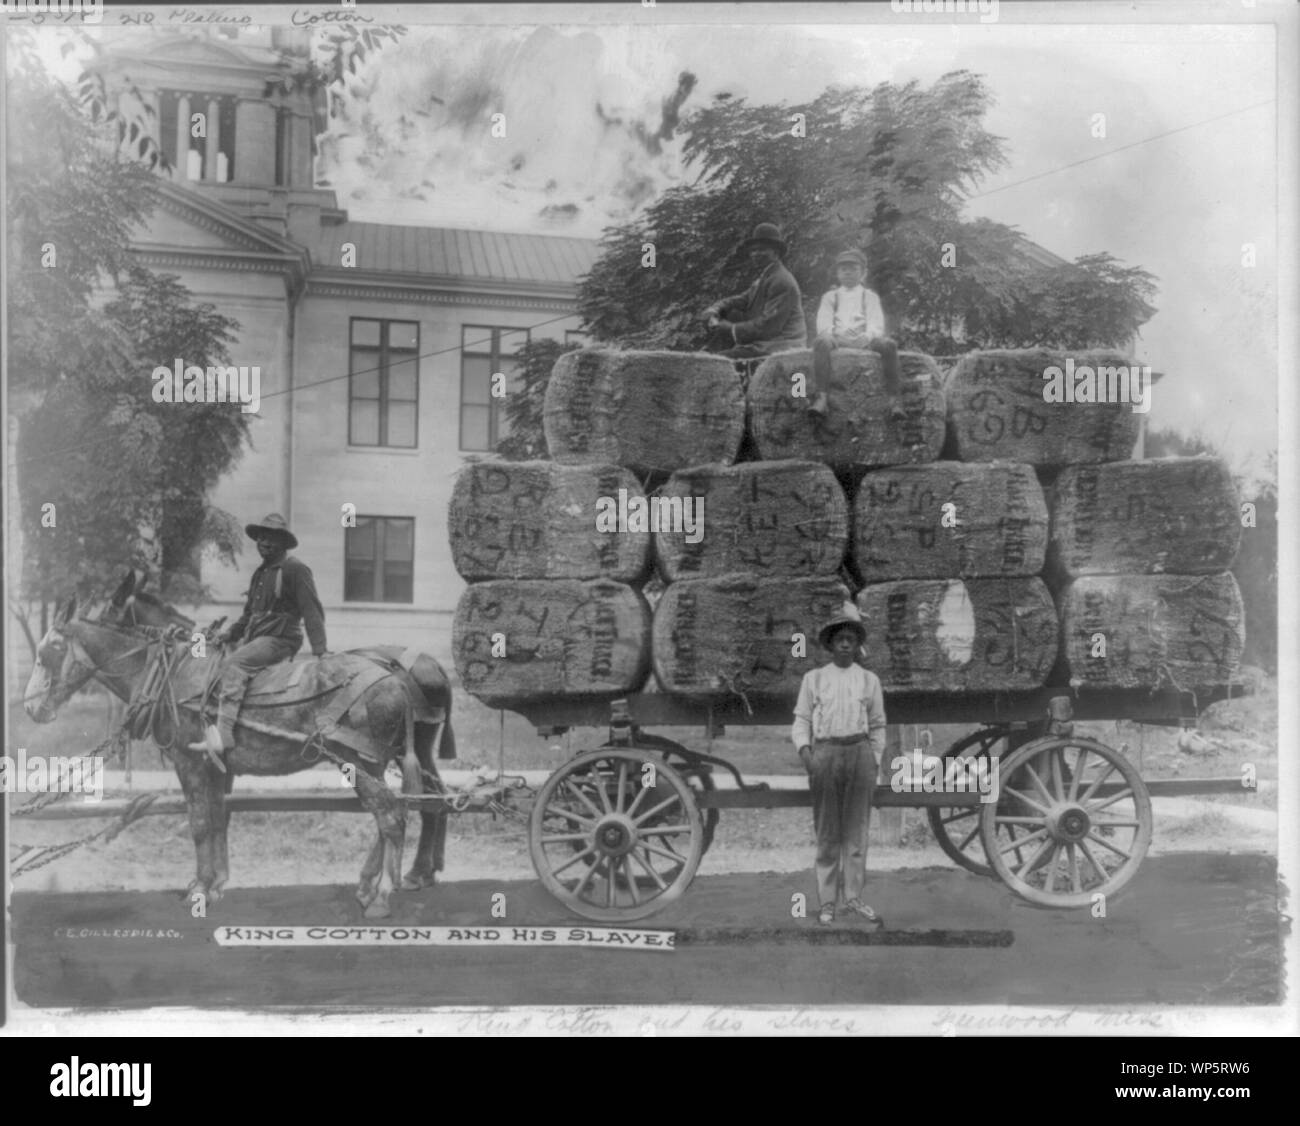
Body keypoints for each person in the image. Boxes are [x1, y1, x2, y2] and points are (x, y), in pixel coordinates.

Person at [188, 513, 330, 767]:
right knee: (214, 663)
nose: (264, 542)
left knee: (234, 664)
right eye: (261, 537)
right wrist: (228, 635)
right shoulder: (260, 574)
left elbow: (311, 610)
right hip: (258, 638)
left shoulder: (295, 569)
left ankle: (224, 736)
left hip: (280, 639)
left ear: (283, 543)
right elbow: (248, 616)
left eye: (271, 537)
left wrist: (321, 651)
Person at [792, 603, 888, 927]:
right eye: (840, 639)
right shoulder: (814, 679)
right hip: (826, 754)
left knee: (856, 833)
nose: (845, 644)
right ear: (830, 644)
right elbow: (801, 720)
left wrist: (874, 760)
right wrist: (807, 754)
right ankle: (828, 903)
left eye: (851, 638)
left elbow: (877, 725)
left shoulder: (869, 680)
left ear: (857, 644)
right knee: (828, 833)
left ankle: (854, 898)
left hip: (859, 753)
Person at [809, 248, 903, 418]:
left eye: (853, 269)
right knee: (821, 342)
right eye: (843, 269)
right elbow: (823, 324)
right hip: (837, 339)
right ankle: (821, 398)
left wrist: (866, 336)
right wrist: (836, 335)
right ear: (837, 273)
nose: (848, 272)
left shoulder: (869, 296)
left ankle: (894, 401)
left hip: (865, 340)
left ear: (863, 273)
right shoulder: (831, 296)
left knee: (888, 345)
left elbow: (876, 323)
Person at [702, 222, 807, 358]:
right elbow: (742, 299)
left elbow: (769, 326)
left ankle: (711, 355)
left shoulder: (781, 280)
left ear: (776, 253)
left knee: (720, 362)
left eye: (762, 250)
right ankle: (710, 351)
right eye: (753, 250)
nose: (755, 254)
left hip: (782, 346)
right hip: (766, 344)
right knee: (718, 354)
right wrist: (716, 308)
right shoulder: (766, 276)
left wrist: (731, 328)